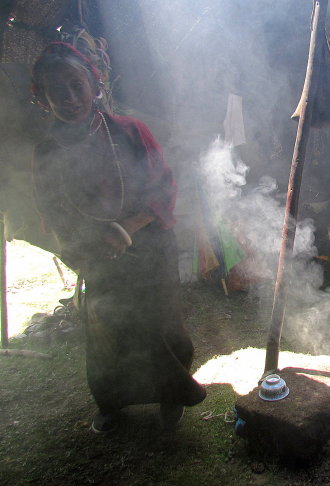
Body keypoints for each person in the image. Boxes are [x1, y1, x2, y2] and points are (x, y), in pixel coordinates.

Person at [30, 42, 206, 433]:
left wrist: (127, 227)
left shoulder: (129, 131)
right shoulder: (47, 151)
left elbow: (163, 186)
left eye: (77, 86)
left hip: (149, 245)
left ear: (94, 85)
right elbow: (53, 207)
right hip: (97, 253)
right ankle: (113, 401)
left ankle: (171, 396)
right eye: (56, 90)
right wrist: (75, 242)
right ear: (43, 98)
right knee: (108, 328)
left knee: (160, 323)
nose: (69, 98)